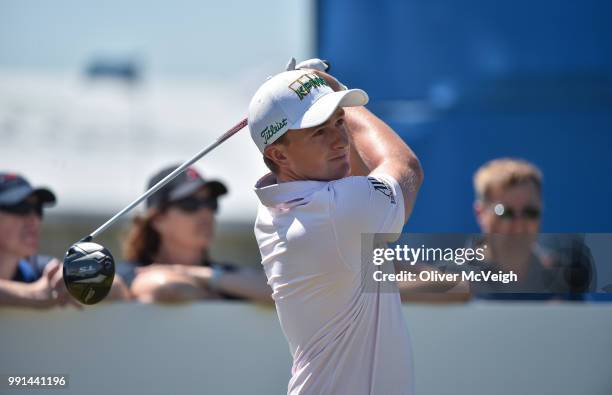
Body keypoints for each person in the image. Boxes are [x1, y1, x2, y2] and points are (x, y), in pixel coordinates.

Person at [250, 59, 423, 394]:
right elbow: (406, 167)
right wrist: (332, 86)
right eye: (319, 131)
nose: (340, 140)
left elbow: (354, 176)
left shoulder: (281, 204)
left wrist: (308, 93)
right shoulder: (334, 211)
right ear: (279, 155)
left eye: (339, 123)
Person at [120, 165, 272, 303]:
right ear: (158, 218)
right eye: (190, 203)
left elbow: (279, 292)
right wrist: (219, 294)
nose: (205, 212)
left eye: (211, 202)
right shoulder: (131, 272)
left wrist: (192, 274)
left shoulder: (219, 274)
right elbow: (167, 289)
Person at [0, 172, 128, 308]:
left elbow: (119, 290)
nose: (34, 219)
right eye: (20, 208)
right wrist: (35, 294)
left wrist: (71, 281)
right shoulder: (39, 281)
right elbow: (38, 293)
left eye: (37, 209)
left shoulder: (39, 270)